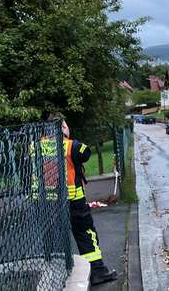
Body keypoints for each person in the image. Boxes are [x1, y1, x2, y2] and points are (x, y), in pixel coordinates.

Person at [61, 120, 117, 285]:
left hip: (47, 205)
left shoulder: (36, 147)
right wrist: (67, 138)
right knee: (85, 234)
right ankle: (97, 271)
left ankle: (60, 274)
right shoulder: (71, 146)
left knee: (55, 240)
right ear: (63, 128)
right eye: (66, 124)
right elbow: (86, 152)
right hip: (73, 201)